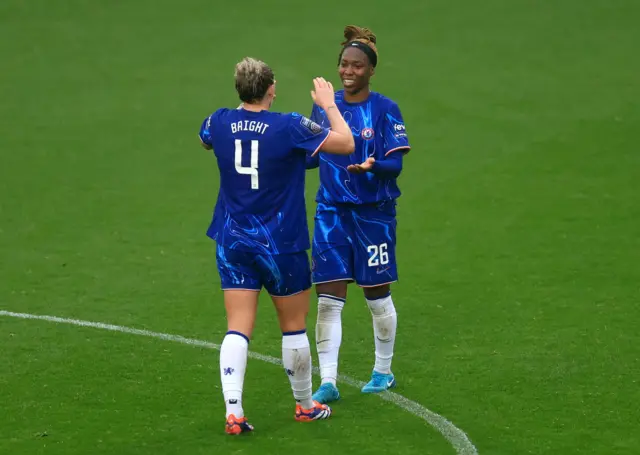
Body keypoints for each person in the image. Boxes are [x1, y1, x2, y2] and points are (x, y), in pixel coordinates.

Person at [198, 57, 355, 434]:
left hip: (232, 239)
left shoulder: (218, 120)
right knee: (293, 325)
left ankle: (233, 410)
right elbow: (346, 143)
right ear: (272, 88)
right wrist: (329, 103)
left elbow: (207, 139)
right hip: (280, 243)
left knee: (237, 325)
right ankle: (304, 406)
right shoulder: (288, 126)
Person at [305, 26, 411, 404]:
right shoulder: (324, 106)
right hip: (331, 212)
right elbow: (309, 155)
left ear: (370, 71)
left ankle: (383, 371)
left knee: (376, 295)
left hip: (373, 214)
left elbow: (395, 165)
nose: (348, 71)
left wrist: (373, 166)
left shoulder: (384, 109)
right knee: (328, 298)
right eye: (344, 65)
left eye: (357, 66)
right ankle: (328, 381)